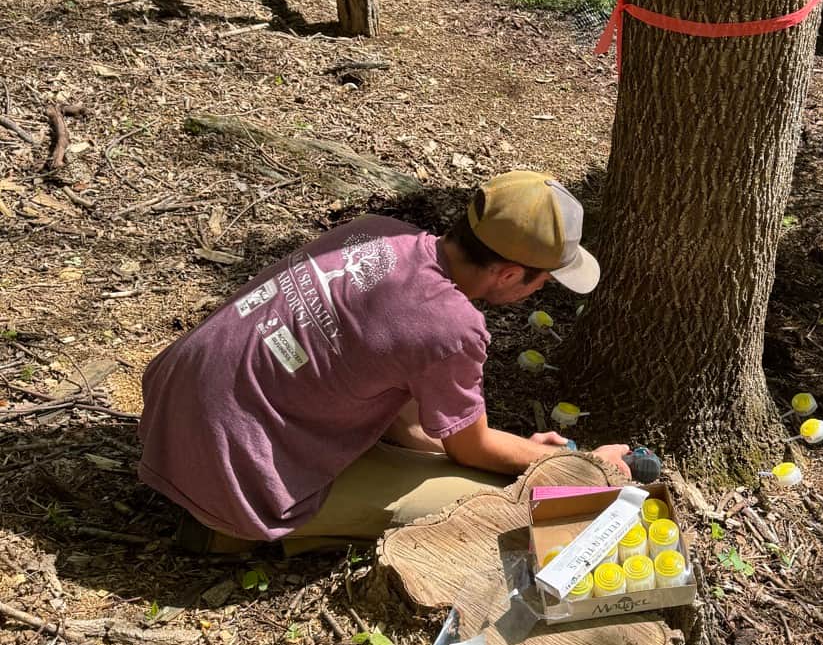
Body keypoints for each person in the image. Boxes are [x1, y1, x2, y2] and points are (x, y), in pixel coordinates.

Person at [138, 170, 630, 555]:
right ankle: (229, 531)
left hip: (170, 417)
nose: (541, 289)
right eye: (542, 279)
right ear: (508, 274)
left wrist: (510, 449)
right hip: (229, 478)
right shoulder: (451, 326)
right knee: (494, 500)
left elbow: (405, 406)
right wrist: (575, 466)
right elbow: (473, 451)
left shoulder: (377, 232)